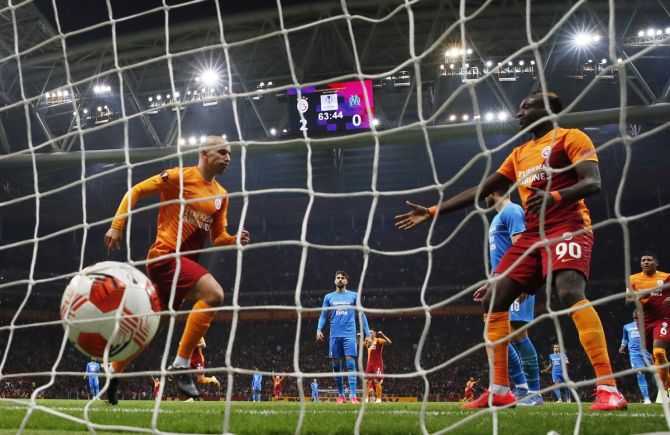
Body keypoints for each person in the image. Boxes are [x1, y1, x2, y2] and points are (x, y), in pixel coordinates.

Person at [395, 91, 627, 411]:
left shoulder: (571, 138)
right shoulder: (519, 154)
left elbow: (593, 182)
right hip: (533, 234)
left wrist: (557, 197)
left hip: (568, 225)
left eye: (526, 107)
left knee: (569, 291)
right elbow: (482, 189)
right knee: (494, 298)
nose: (518, 113)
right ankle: (500, 390)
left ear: (547, 110)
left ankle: (608, 388)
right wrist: (433, 211)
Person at [104, 136, 249, 405]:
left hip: (180, 266)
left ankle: (112, 372)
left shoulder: (222, 195)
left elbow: (217, 237)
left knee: (151, 327)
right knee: (214, 295)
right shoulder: (178, 177)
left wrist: (233, 240)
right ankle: (181, 364)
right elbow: (135, 190)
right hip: (164, 257)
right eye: (223, 152)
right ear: (204, 153)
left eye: (230, 154)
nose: (229, 158)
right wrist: (117, 224)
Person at [484, 189, 542, 405]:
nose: (484, 194)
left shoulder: (513, 211)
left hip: (515, 280)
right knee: (499, 336)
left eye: (487, 190)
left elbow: (522, 247)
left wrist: (525, 280)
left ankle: (532, 392)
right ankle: (522, 388)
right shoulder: (497, 217)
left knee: (517, 334)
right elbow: (500, 255)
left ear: (496, 191)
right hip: (501, 281)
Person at [316, 270, 371, 404]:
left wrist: (368, 334)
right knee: (336, 366)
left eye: (342, 278)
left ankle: (352, 396)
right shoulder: (328, 297)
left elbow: (361, 315)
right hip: (334, 335)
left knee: (350, 363)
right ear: (335, 281)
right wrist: (318, 329)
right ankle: (341, 395)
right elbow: (323, 315)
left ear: (346, 281)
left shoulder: (354, 296)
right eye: (338, 277)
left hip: (349, 334)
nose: (340, 279)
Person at [627, 252, 670, 402]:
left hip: (663, 319)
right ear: (640, 264)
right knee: (654, 356)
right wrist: (641, 296)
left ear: (656, 263)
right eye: (643, 260)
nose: (646, 262)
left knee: (659, 352)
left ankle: (663, 391)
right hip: (643, 322)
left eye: (649, 260)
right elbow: (627, 300)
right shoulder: (633, 279)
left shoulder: (666, 277)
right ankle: (668, 384)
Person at [619, 310, 653, 404]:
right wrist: (622, 346)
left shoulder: (647, 324)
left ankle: (665, 395)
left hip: (647, 351)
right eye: (634, 312)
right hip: (635, 353)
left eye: (637, 312)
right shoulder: (626, 326)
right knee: (640, 374)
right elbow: (625, 338)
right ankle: (646, 399)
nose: (635, 313)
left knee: (657, 373)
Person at [364, 329, 391, 403]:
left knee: (376, 381)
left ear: (375, 334)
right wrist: (358, 337)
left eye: (371, 333)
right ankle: (366, 399)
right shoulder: (367, 342)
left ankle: (379, 399)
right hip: (369, 364)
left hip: (377, 363)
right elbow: (359, 344)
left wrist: (382, 335)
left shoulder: (379, 340)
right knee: (366, 381)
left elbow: (389, 342)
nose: (369, 334)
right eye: (368, 333)